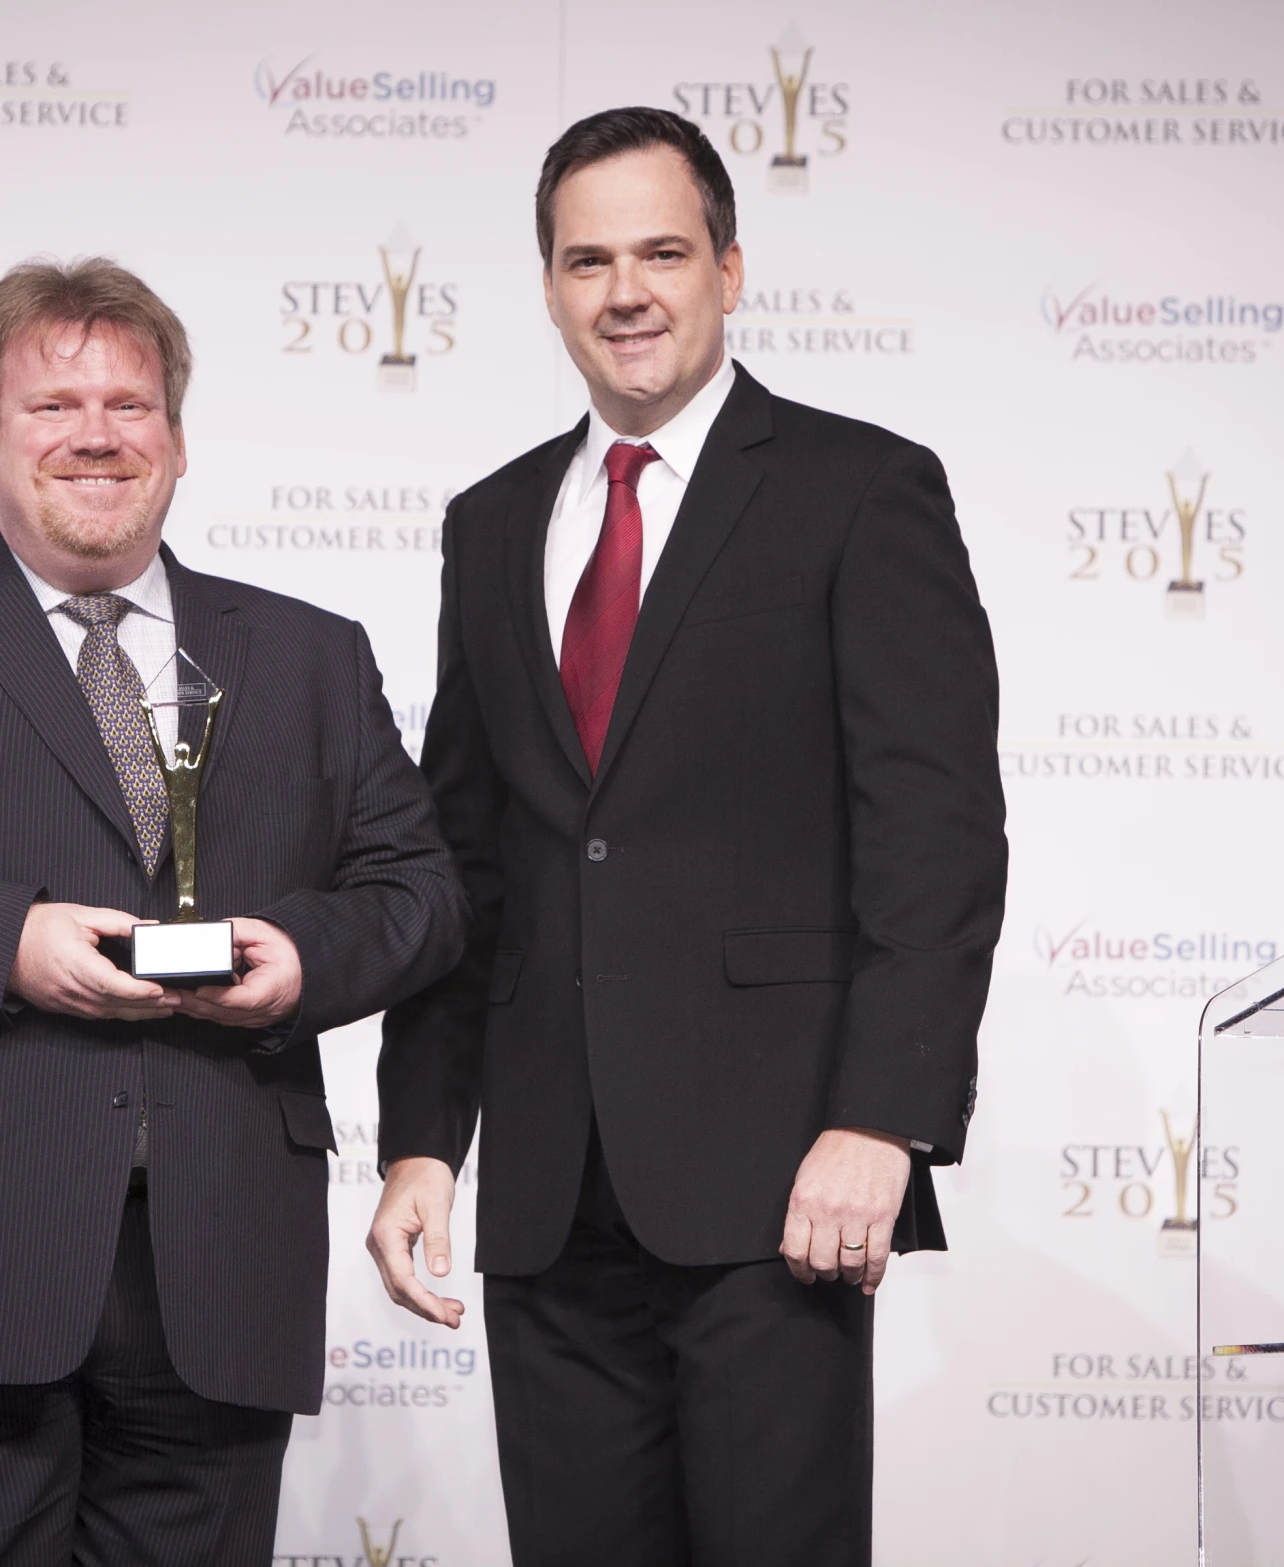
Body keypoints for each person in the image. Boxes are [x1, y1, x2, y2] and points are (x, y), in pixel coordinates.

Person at [0, 258, 465, 1567]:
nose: (98, 434)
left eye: (130, 403)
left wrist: (303, 959)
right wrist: (5, 942)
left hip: (219, 1271)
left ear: (175, 438)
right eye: (55, 405)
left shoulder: (309, 651)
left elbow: (422, 896)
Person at [369, 107, 1007, 1565]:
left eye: (661, 250)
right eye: (586, 259)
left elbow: (936, 832)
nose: (624, 290)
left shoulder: (861, 488)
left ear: (729, 266)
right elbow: (467, 859)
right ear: (546, 288)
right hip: (544, 1191)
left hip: (774, 1180)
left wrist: (881, 1116)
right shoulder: (487, 524)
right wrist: (421, 1140)